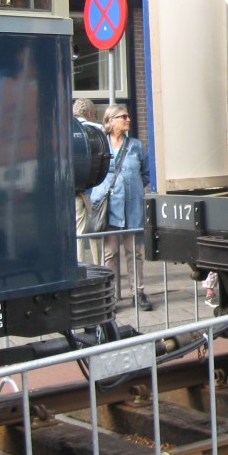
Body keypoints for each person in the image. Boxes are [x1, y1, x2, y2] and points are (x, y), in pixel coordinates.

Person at [90, 103, 153, 310]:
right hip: (110, 208)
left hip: (132, 207)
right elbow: (93, 174)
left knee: (134, 252)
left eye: (127, 116)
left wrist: (132, 189)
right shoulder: (101, 146)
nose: (128, 119)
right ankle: (109, 296)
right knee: (110, 254)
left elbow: (145, 173)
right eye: (122, 116)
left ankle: (138, 293)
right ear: (110, 121)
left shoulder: (136, 146)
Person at [72, 98, 102, 265]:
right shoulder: (97, 129)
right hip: (94, 190)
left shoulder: (66, 131)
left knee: (78, 231)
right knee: (95, 230)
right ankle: (98, 265)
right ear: (90, 113)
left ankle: (80, 265)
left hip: (75, 190)